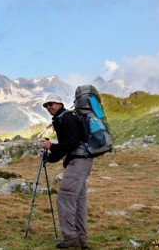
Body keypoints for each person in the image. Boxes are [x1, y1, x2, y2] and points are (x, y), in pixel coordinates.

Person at [41, 93, 93, 249]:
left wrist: (51, 147)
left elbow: (71, 143)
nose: (49, 107)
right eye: (46, 105)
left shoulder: (67, 117)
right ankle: (81, 240)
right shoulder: (63, 118)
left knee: (65, 198)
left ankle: (71, 238)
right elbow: (67, 146)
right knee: (77, 202)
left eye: (51, 104)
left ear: (59, 103)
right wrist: (50, 157)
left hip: (79, 161)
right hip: (81, 160)